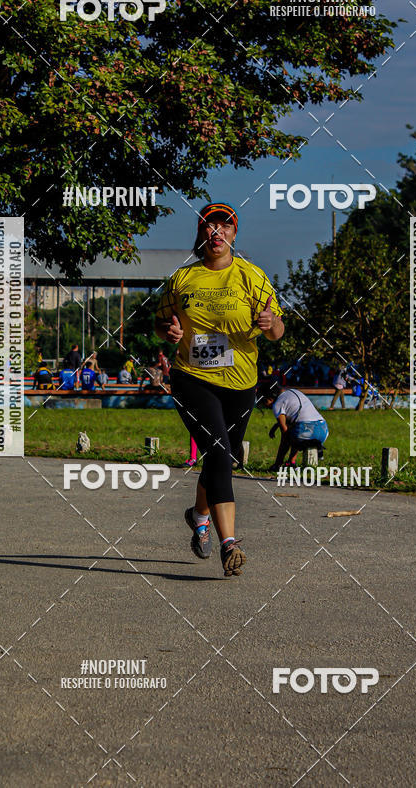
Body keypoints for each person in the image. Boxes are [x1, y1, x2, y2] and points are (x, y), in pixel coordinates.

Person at [155, 200, 284, 577]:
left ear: (233, 233)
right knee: (218, 451)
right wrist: (170, 331)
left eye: (224, 226)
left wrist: (270, 321)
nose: (217, 232)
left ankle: (198, 514)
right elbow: (160, 323)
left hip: (242, 383)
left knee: (221, 459)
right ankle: (230, 543)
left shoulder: (252, 277)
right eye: (210, 226)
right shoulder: (183, 279)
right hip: (192, 378)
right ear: (202, 232)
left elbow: (278, 331)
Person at [267, 385, 328, 469]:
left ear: (269, 398)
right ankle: (293, 460)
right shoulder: (293, 392)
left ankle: (289, 462)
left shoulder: (277, 405)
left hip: (305, 430)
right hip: (323, 429)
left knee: (291, 434)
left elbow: (285, 436)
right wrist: (275, 426)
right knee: (295, 428)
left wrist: (277, 463)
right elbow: (299, 414)